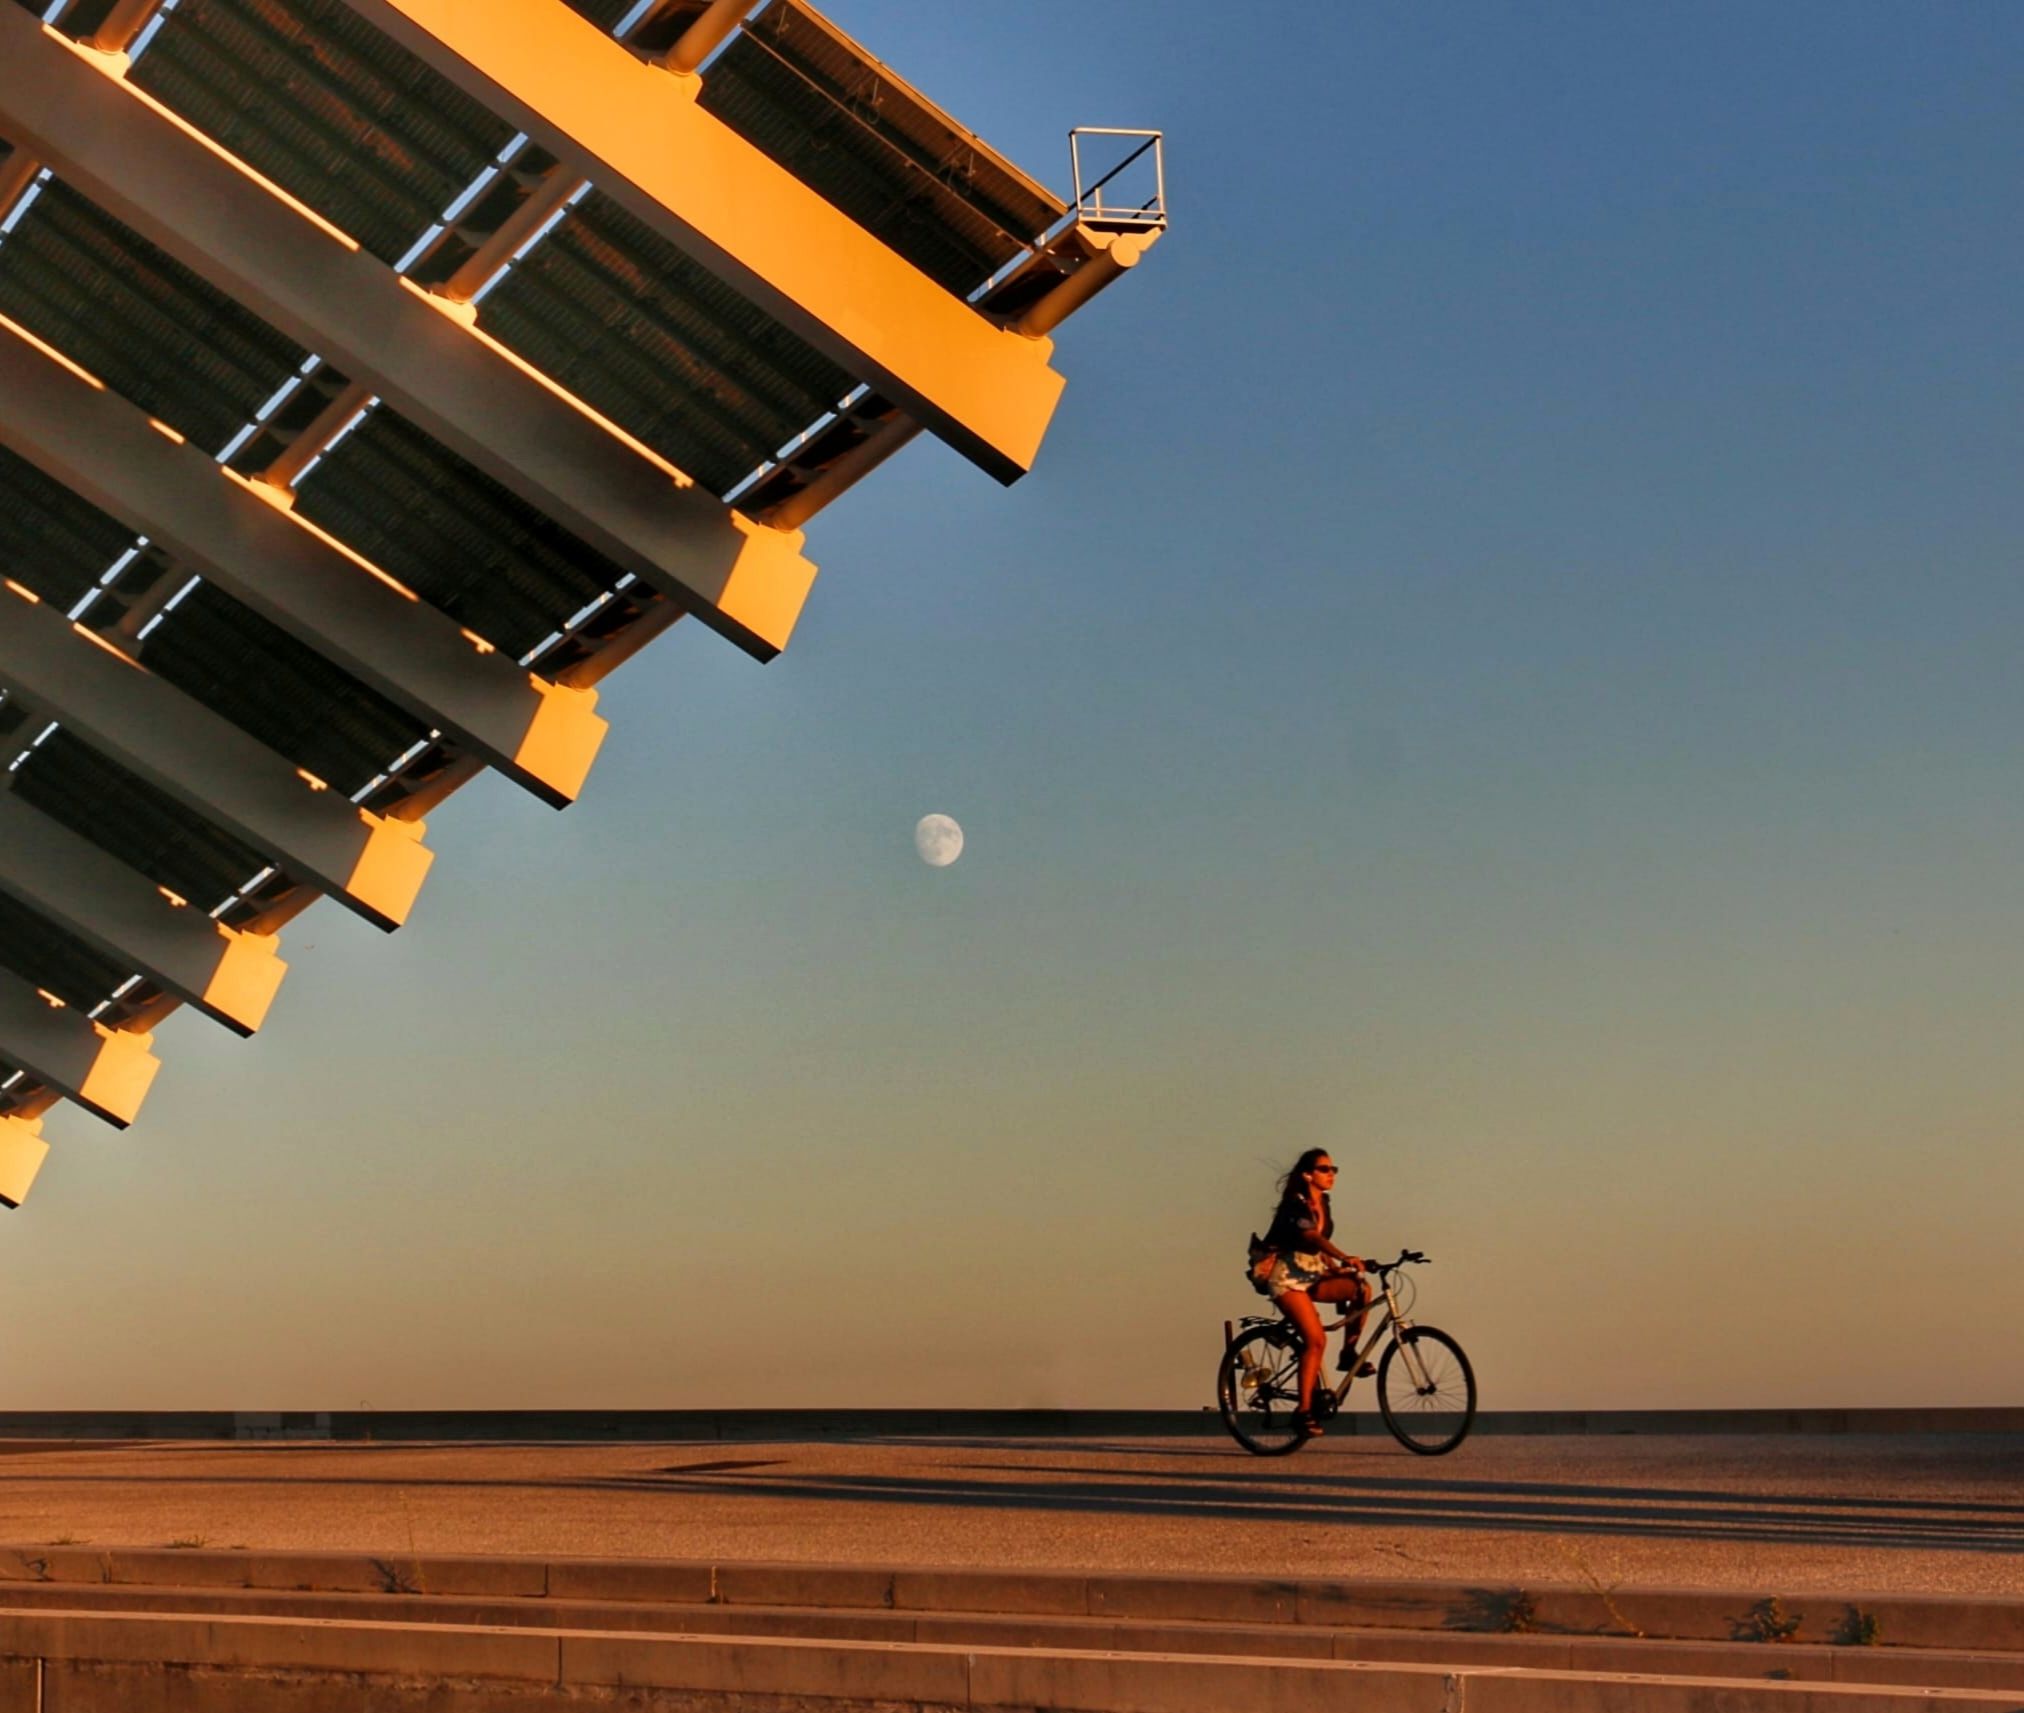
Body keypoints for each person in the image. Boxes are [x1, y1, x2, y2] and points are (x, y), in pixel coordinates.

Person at [1261, 1148, 1370, 1436]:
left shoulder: (1325, 1204)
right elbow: (1311, 1237)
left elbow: (1318, 1249)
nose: (1331, 1174)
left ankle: (1348, 1354)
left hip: (1312, 1274)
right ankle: (1303, 1411)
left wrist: (1338, 1267)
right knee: (1316, 1340)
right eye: (1325, 1169)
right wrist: (1345, 1256)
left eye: (1334, 1169)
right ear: (1308, 1174)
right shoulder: (1295, 1205)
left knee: (1361, 1287)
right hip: (1287, 1279)